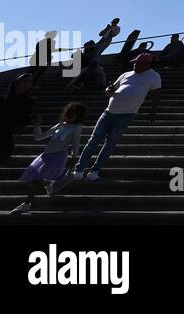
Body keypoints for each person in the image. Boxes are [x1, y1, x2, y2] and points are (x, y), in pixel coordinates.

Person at [65, 52, 162, 183]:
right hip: (108, 112)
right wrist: (108, 90)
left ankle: (94, 172)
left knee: (109, 144)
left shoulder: (154, 76)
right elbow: (110, 90)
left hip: (126, 116)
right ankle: (79, 170)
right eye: (134, 62)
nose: (134, 65)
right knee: (93, 141)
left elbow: (156, 96)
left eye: (138, 63)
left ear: (147, 65)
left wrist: (153, 113)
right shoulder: (126, 74)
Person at [9, 102, 87, 215]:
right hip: (45, 156)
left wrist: (74, 158)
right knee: (38, 179)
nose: (69, 116)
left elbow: (75, 143)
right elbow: (39, 137)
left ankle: (26, 204)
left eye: (73, 115)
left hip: (59, 156)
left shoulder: (76, 127)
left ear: (78, 116)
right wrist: (37, 125)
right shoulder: (59, 125)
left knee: (37, 180)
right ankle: (48, 185)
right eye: (68, 113)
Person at [0, 72, 37, 185]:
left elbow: (20, 121)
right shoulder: (0, 100)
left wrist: (31, 120)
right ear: (16, 83)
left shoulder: (27, 103)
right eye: (24, 80)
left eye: (29, 82)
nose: (26, 83)